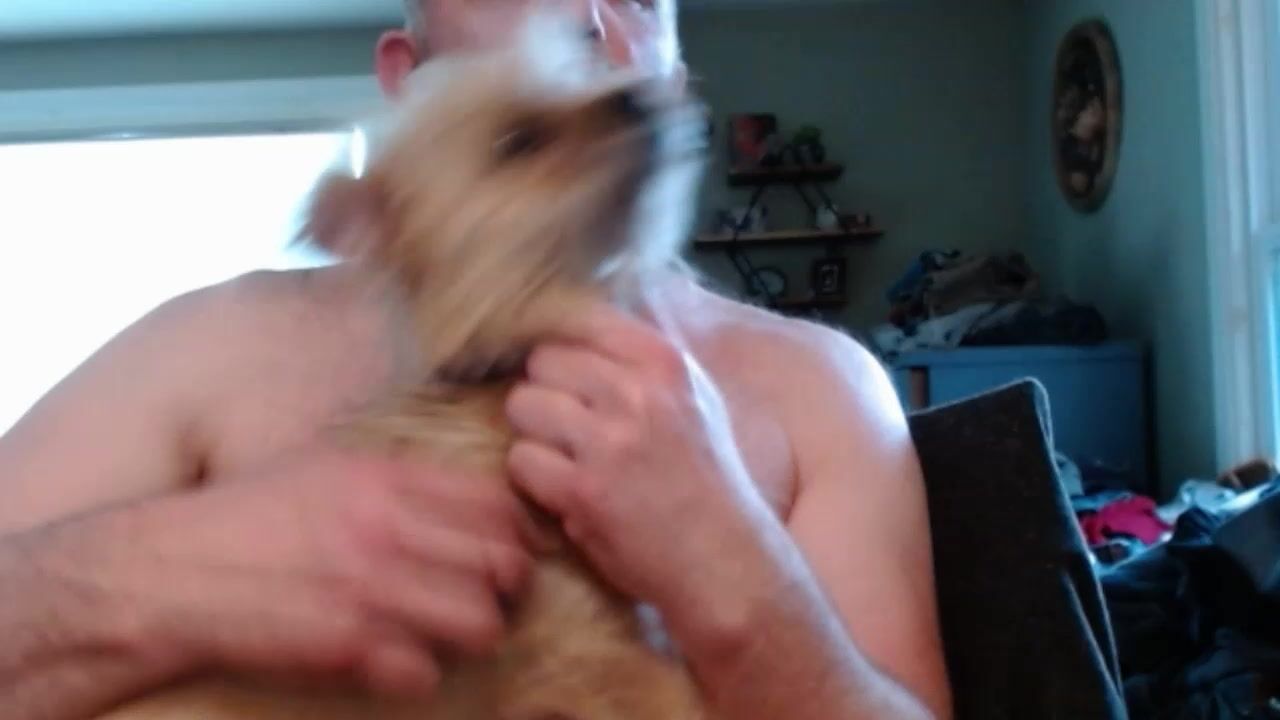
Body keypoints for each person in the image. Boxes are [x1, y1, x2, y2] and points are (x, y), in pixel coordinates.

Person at [0, 0, 954, 718]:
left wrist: (737, 577)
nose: (590, 16)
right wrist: (176, 566)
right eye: (520, 137)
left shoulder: (826, 392)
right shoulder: (212, 347)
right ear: (410, 79)